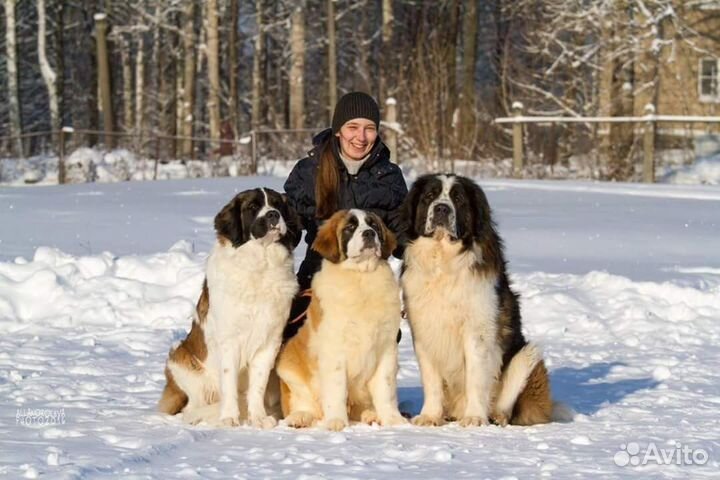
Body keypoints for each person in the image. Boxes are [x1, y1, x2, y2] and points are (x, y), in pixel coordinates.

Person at [283, 91, 408, 339]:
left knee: (375, 338)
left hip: (369, 280)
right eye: (352, 127)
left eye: (369, 128)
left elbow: (404, 235)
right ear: (338, 129)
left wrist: (418, 273)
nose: (361, 137)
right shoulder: (310, 171)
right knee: (291, 334)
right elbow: (289, 226)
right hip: (319, 276)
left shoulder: (389, 176)